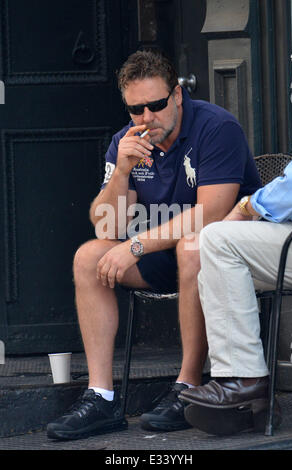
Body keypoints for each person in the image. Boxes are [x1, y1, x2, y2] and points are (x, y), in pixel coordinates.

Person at [47, 50, 261, 440]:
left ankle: (188, 386)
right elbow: (106, 225)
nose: (147, 118)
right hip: (160, 253)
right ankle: (102, 397)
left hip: (227, 257)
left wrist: (137, 245)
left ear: (177, 96)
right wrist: (122, 172)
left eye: (157, 105)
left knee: (194, 245)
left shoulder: (215, 127)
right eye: (136, 109)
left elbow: (212, 214)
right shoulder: (125, 142)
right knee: (87, 258)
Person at [179, 48, 292, 436]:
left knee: (218, 241)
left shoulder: (214, 127)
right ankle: (249, 396)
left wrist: (248, 206)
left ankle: (244, 381)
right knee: (221, 253)